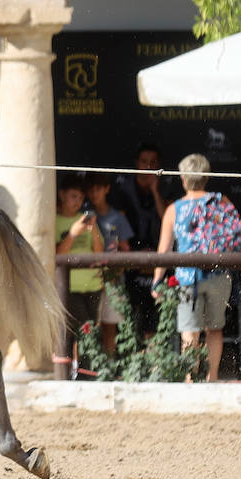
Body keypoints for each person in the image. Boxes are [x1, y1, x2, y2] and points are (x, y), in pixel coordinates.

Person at [151, 153, 241, 382]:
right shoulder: (221, 201)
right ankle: (212, 377)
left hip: (187, 277)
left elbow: (163, 251)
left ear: (183, 179)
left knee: (190, 331)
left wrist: (157, 280)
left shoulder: (174, 209)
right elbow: (238, 233)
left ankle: (190, 378)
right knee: (214, 329)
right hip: (219, 274)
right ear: (206, 177)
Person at [110, 142, 175, 335]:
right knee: (129, 314)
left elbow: (169, 221)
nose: (148, 167)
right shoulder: (123, 190)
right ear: (136, 163)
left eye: (153, 163)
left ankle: (155, 358)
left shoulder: (166, 188)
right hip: (132, 258)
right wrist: (135, 255)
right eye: (144, 162)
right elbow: (118, 228)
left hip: (160, 258)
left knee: (156, 314)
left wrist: (155, 192)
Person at [57, 174, 103, 366]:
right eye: (73, 196)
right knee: (80, 329)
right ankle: (78, 373)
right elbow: (58, 253)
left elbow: (99, 253)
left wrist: (92, 231)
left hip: (93, 283)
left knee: (91, 330)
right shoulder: (54, 220)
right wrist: (73, 234)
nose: (78, 202)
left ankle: (87, 372)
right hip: (69, 286)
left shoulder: (85, 219)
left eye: (81, 198)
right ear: (62, 195)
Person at [86, 172, 134, 355]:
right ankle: (86, 369)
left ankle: (109, 367)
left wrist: (117, 270)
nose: (93, 194)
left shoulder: (118, 218)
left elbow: (126, 249)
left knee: (109, 327)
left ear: (107, 189)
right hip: (88, 279)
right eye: (90, 190)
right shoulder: (83, 215)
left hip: (112, 280)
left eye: (97, 189)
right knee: (87, 326)